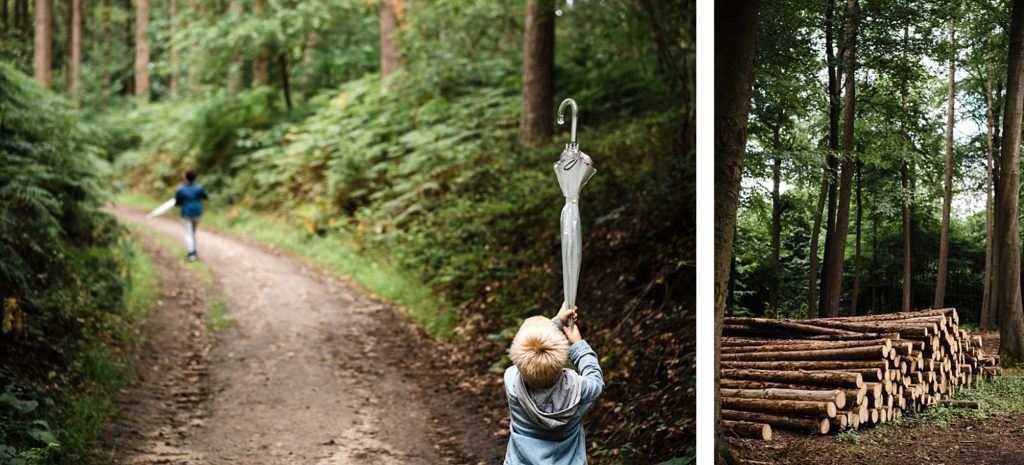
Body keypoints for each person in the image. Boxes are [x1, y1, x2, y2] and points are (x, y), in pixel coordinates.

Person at [504, 303, 604, 465]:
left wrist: (556, 321)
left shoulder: (512, 381)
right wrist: (578, 345)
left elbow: (529, 350)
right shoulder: (578, 388)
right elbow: (596, 381)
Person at [175, 169, 208, 261]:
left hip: (186, 213)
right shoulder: (199, 188)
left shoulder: (181, 189)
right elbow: (205, 196)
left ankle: (191, 253)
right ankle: (194, 251)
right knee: (193, 232)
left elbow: (177, 203)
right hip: (197, 213)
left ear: (186, 177)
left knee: (188, 233)